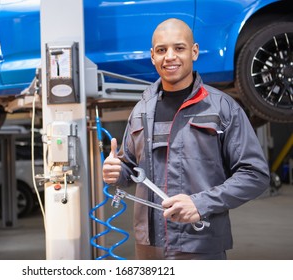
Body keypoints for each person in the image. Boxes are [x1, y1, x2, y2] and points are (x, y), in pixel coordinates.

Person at [102, 18, 270, 260]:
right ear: (152, 56)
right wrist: (116, 172)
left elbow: (256, 175)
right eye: (161, 50)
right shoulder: (141, 110)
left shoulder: (223, 108)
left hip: (200, 244)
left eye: (179, 48)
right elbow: (130, 167)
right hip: (148, 247)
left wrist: (200, 204)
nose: (169, 56)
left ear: (194, 51)